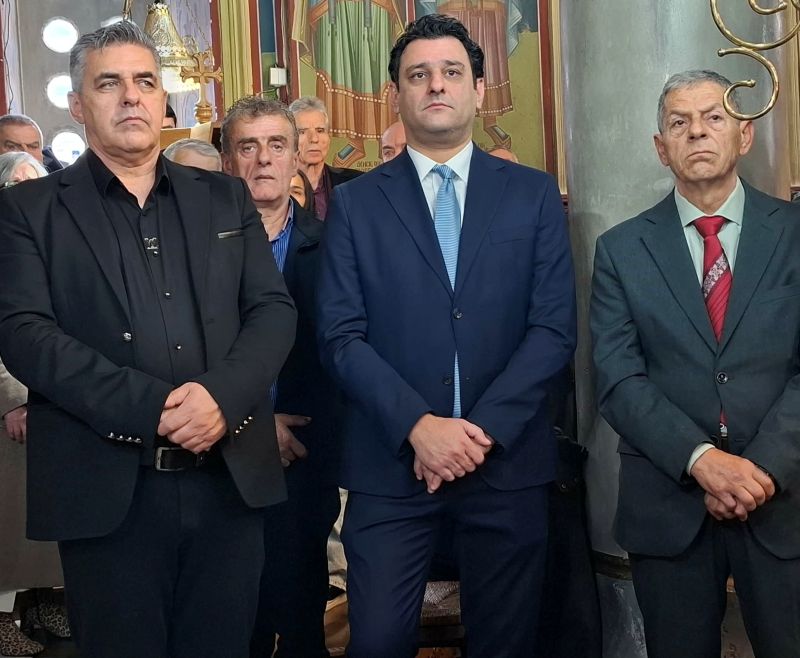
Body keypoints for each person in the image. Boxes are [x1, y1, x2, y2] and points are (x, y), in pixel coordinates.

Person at [0, 21, 296, 658]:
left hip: (227, 477)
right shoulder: (29, 210)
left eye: (145, 81)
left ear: (164, 99)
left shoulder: (225, 198)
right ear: (78, 105)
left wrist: (221, 397)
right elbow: (24, 334)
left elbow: (272, 311)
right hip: (107, 488)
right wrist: (152, 408)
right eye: (109, 83)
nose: (131, 96)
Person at [316, 14, 576, 657]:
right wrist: (419, 427)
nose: (436, 85)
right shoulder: (356, 204)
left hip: (505, 462)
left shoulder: (533, 194)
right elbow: (341, 336)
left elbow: (552, 329)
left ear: (479, 90)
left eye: (452, 72)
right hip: (391, 466)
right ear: (396, 94)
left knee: (506, 645)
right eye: (419, 75)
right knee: (376, 642)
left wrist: (479, 431)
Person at [590, 70, 800, 658]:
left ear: (744, 135)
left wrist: (760, 471)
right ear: (661, 148)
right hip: (670, 505)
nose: (697, 132)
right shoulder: (621, 249)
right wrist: (703, 461)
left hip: (782, 500)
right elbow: (619, 378)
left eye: (713, 118)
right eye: (679, 123)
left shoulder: (795, 234)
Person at [220, 95, 340, 658]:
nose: (263, 159)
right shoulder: (195, 250)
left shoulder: (335, 244)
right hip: (218, 460)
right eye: (248, 146)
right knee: (231, 622)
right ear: (227, 161)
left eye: (276, 145)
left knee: (300, 623)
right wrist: (252, 420)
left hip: (304, 459)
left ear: (297, 157)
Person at [0, 151, 67, 658]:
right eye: (15, 183)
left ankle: (44, 601)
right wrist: (13, 400)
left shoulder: (52, 238)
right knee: (8, 521)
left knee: (45, 515)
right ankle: (4, 615)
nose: (26, 190)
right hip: (13, 403)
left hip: (52, 398)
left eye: (34, 182)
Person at [288, 97, 362, 219]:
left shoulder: (355, 183)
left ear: (329, 137)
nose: (314, 139)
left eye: (320, 130)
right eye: (302, 132)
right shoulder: (278, 187)